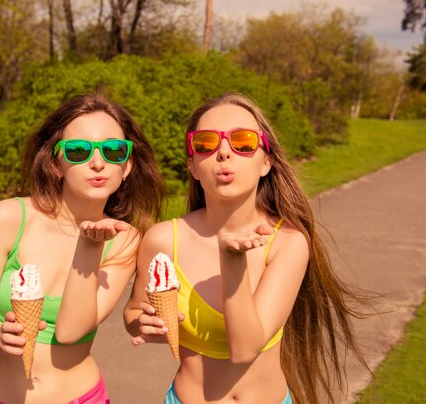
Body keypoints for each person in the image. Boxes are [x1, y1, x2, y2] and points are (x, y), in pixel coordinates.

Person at [124, 92, 366, 404]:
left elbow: (245, 348)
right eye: (206, 144)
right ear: (193, 166)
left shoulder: (288, 242)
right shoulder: (161, 240)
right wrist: (139, 322)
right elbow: (133, 311)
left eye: (243, 142)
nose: (224, 152)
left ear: (266, 162)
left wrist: (232, 261)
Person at [0, 93, 164, 404]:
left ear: (128, 165)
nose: (98, 163)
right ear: (56, 164)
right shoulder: (9, 217)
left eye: (113, 151)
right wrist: (0, 338)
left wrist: (89, 247)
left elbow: (70, 332)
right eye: (79, 151)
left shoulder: (125, 239)